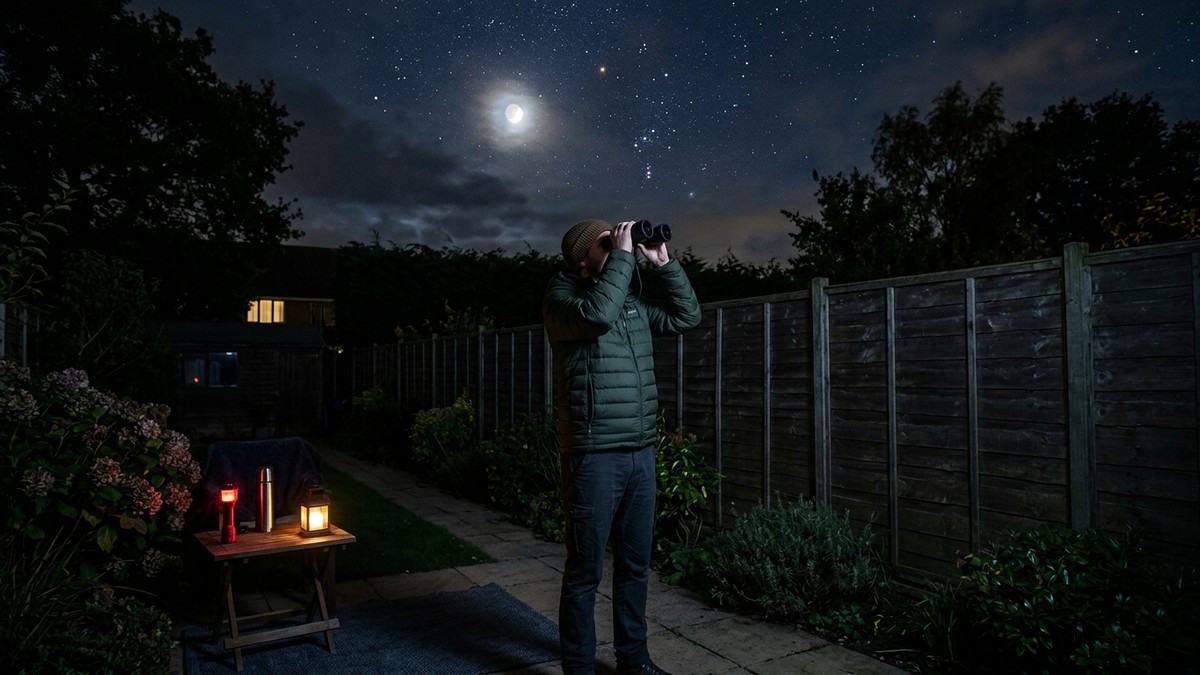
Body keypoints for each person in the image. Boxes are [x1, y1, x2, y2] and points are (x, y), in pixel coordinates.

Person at [542, 219, 702, 675]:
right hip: (594, 455)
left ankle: (634, 661)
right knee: (585, 572)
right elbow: (598, 315)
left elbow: (686, 317)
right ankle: (579, 668)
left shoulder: (629, 303)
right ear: (581, 259)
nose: (618, 247)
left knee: (635, 565)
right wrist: (626, 256)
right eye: (607, 244)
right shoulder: (562, 300)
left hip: (640, 452)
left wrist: (664, 265)